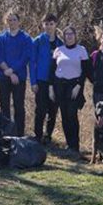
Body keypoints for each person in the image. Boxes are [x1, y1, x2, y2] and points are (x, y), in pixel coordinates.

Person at [49, 26, 92, 154]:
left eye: (71, 34)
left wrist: (79, 86)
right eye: (66, 34)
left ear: (75, 35)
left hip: (74, 86)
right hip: (59, 85)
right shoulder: (58, 50)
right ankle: (68, 144)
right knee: (64, 115)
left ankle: (75, 145)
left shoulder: (81, 50)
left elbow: (85, 71)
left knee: (72, 115)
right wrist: (51, 88)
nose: (69, 36)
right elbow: (52, 70)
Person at [0, 13, 33, 136]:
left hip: (19, 77)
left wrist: (13, 71)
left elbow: (25, 57)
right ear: (6, 22)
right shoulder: (1, 38)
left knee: (19, 106)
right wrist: (8, 71)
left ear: (19, 21)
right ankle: (6, 134)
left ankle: (19, 134)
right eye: (9, 20)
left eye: (14, 19)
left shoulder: (26, 38)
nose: (12, 22)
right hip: (3, 76)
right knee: (4, 105)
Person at [29, 13, 63, 144]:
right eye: (46, 24)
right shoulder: (37, 41)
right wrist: (33, 82)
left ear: (55, 25)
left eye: (51, 24)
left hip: (55, 82)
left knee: (53, 110)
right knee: (40, 110)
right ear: (43, 25)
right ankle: (37, 136)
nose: (49, 26)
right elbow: (32, 63)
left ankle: (48, 136)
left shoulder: (60, 43)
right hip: (41, 81)